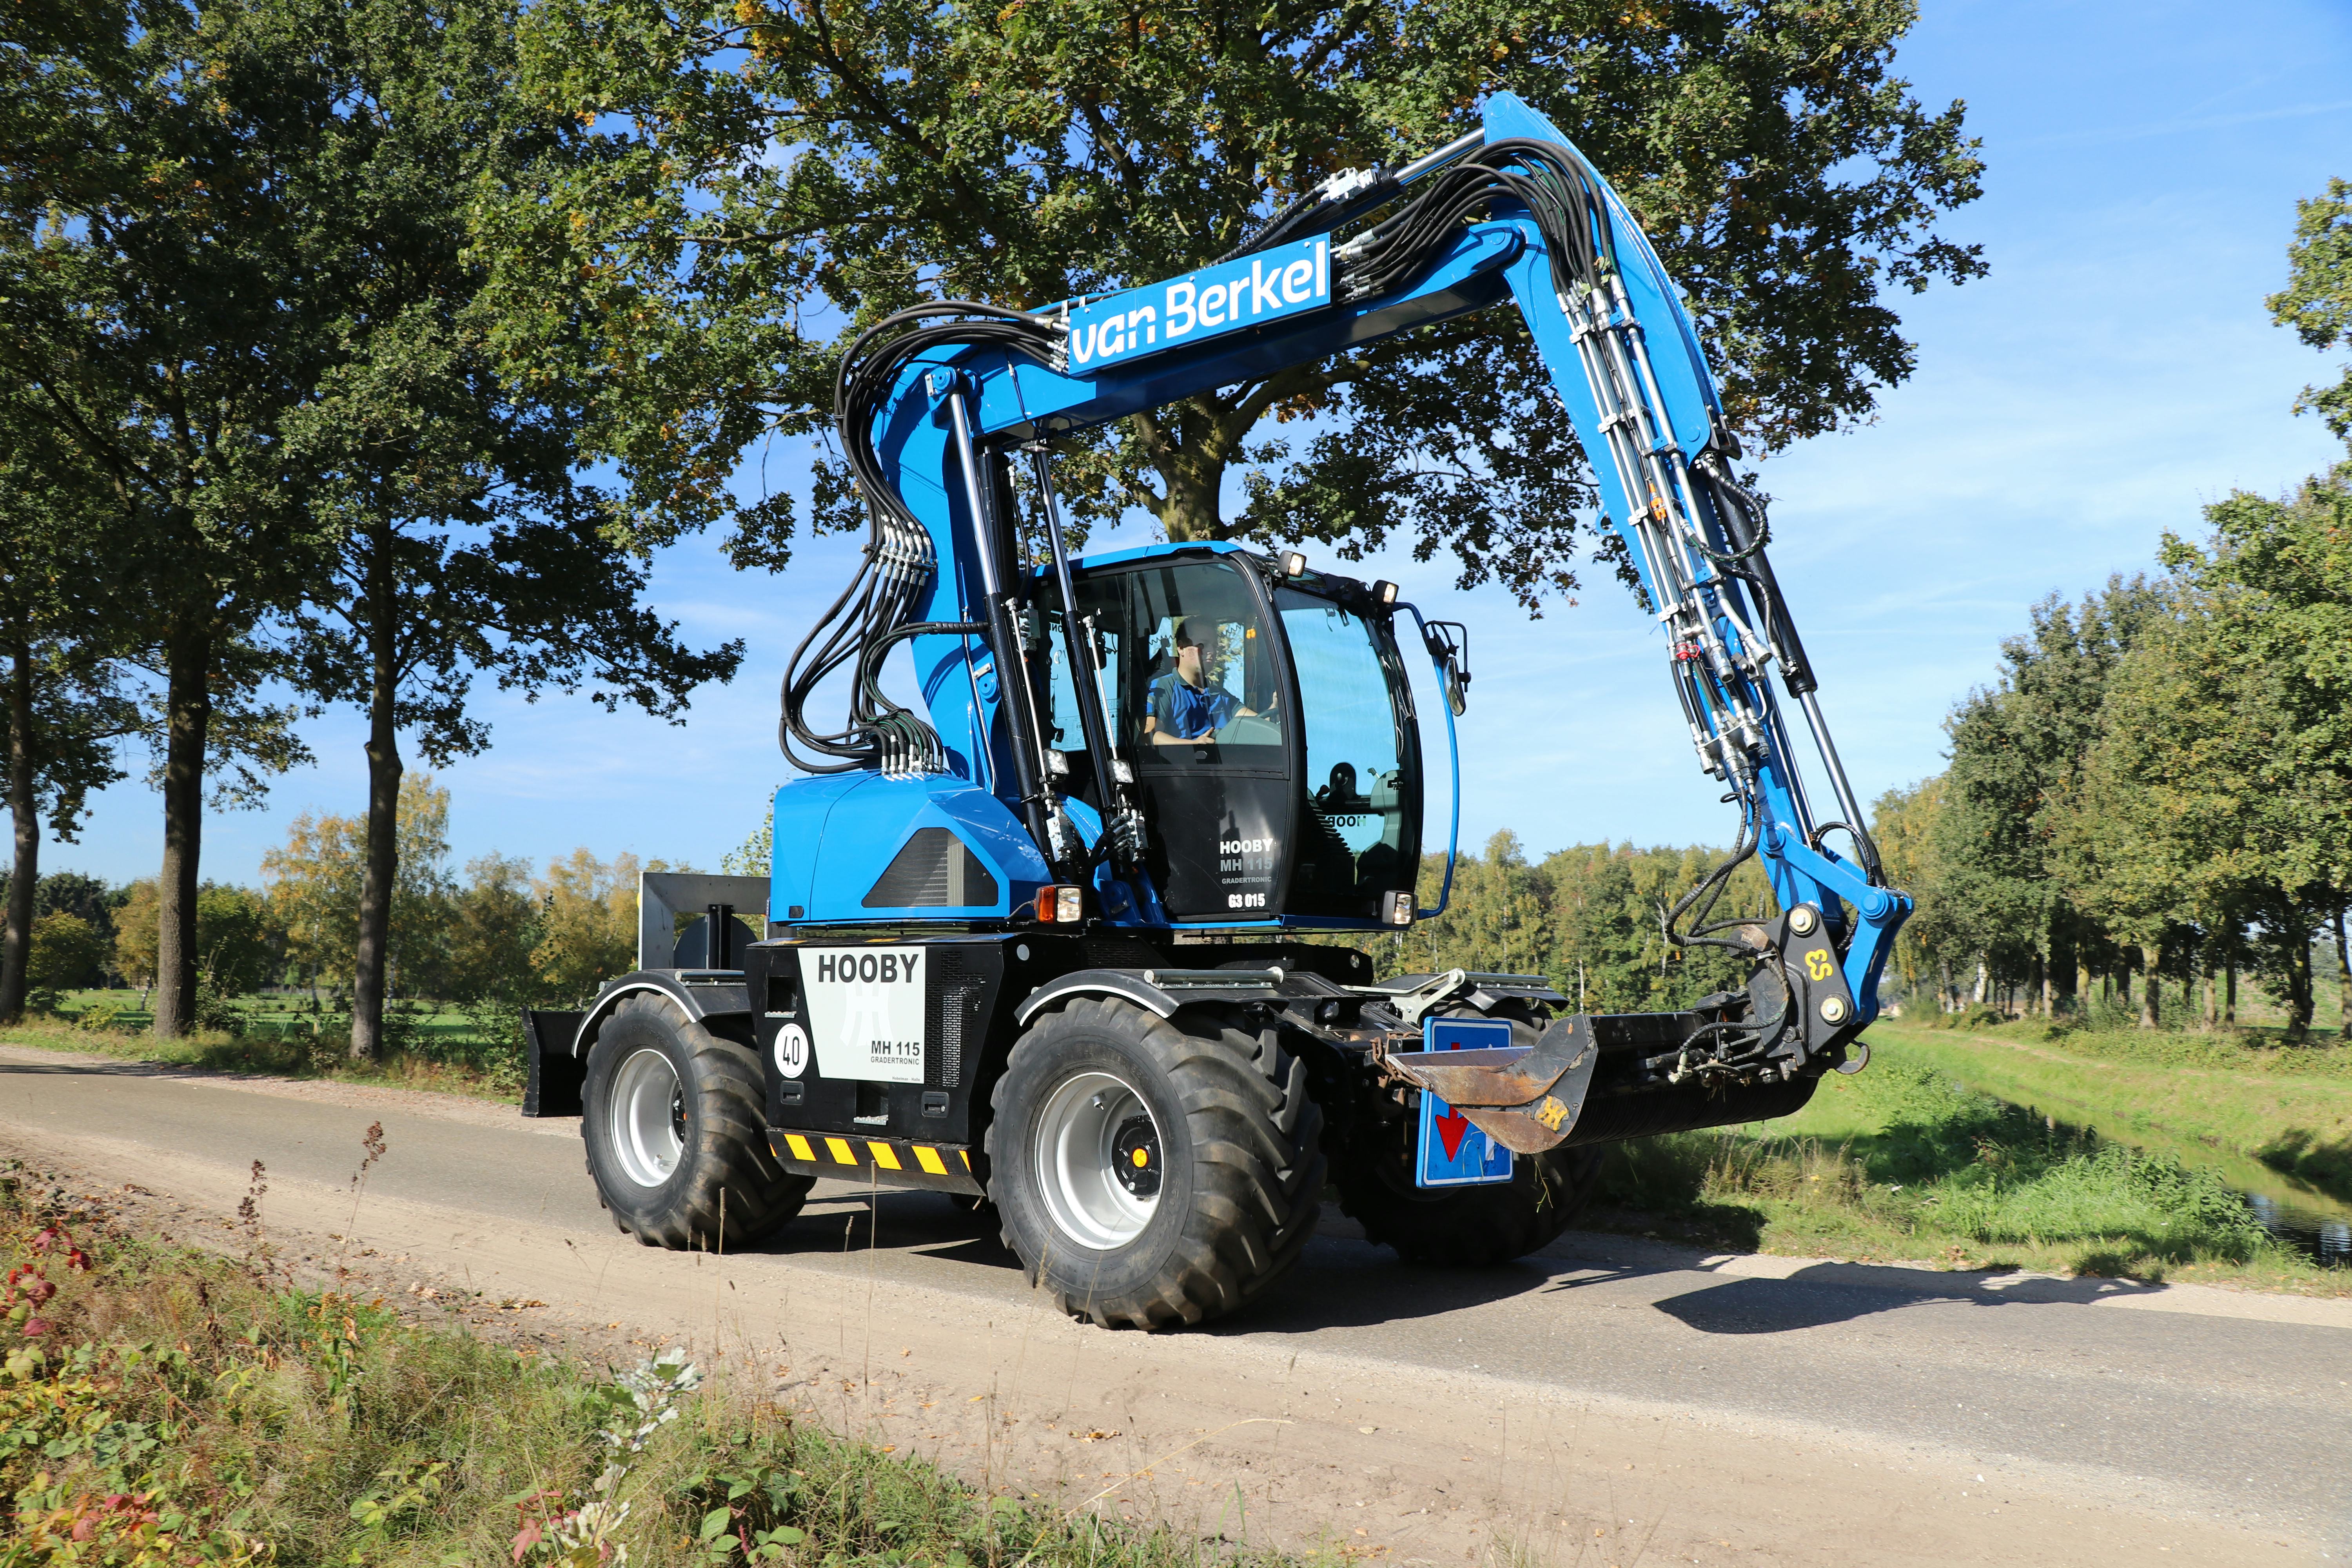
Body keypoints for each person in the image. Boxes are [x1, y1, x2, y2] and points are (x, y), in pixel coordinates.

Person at [1145, 616, 1254, 744]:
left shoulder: (1220, 695)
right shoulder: (1164, 687)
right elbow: (1150, 736)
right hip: (1182, 763)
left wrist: (1275, 706)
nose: (1212, 651)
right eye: (1203, 645)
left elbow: (1257, 722)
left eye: (1215, 646)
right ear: (1181, 648)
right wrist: (1194, 745)